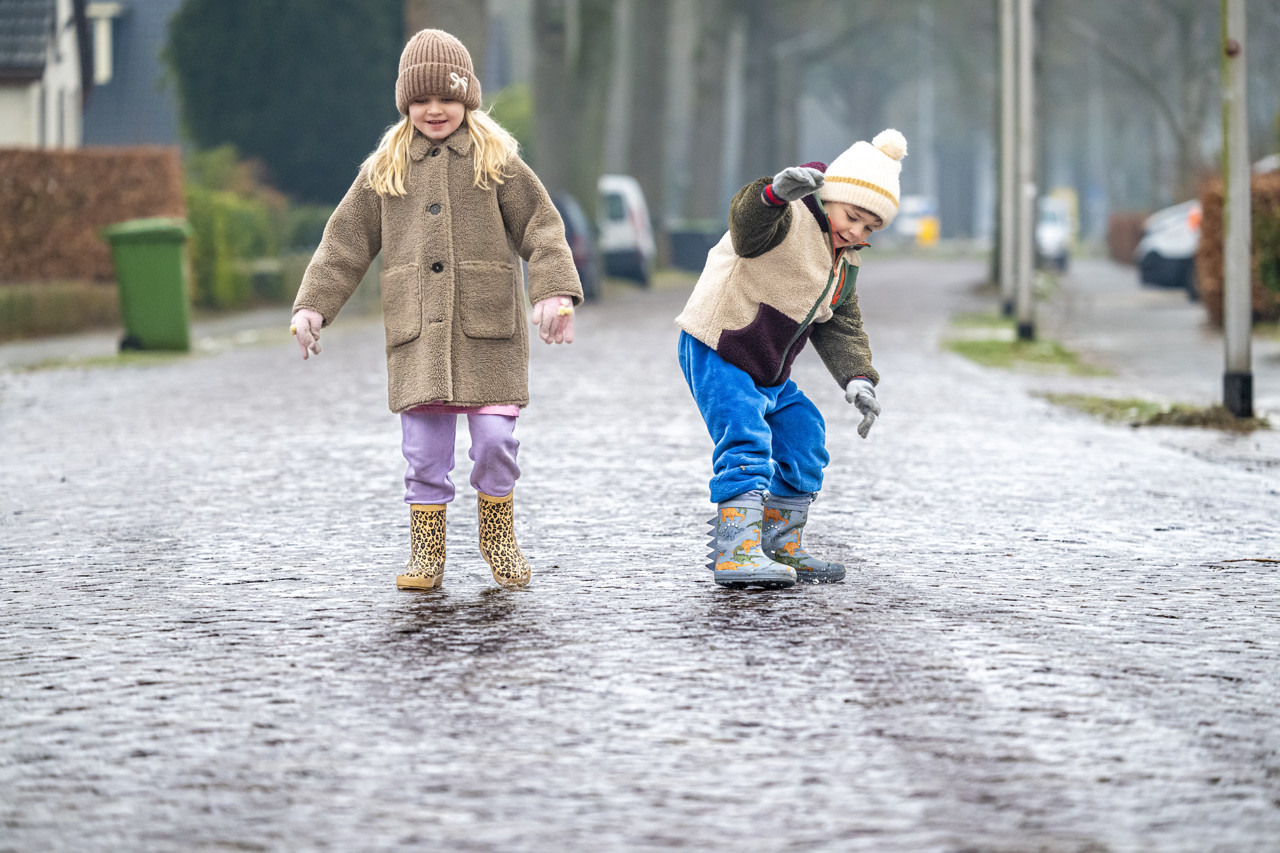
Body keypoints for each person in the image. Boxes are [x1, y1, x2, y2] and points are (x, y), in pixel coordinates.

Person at [290, 29, 581, 591]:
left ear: (467, 96)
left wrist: (554, 290)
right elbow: (344, 243)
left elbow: (542, 227)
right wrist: (313, 306)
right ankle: (427, 552)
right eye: (421, 99)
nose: (434, 109)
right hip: (418, 336)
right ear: (405, 103)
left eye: (447, 97)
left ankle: (498, 536)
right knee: (424, 454)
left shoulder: (497, 161)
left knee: (495, 441)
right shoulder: (385, 168)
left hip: (488, 334)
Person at [675, 129, 907, 589]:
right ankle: (735, 551)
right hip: (720, 346)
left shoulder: (846, 259)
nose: (856, 232)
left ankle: (779, 543)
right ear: (831, 197)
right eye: (852, 217)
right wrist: (774, 196)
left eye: (869, 228)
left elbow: (841, 323)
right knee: (746, 438)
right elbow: (747, 228)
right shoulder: (788, 216)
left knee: (805, 434)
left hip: (768, 369)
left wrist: (859, 378)